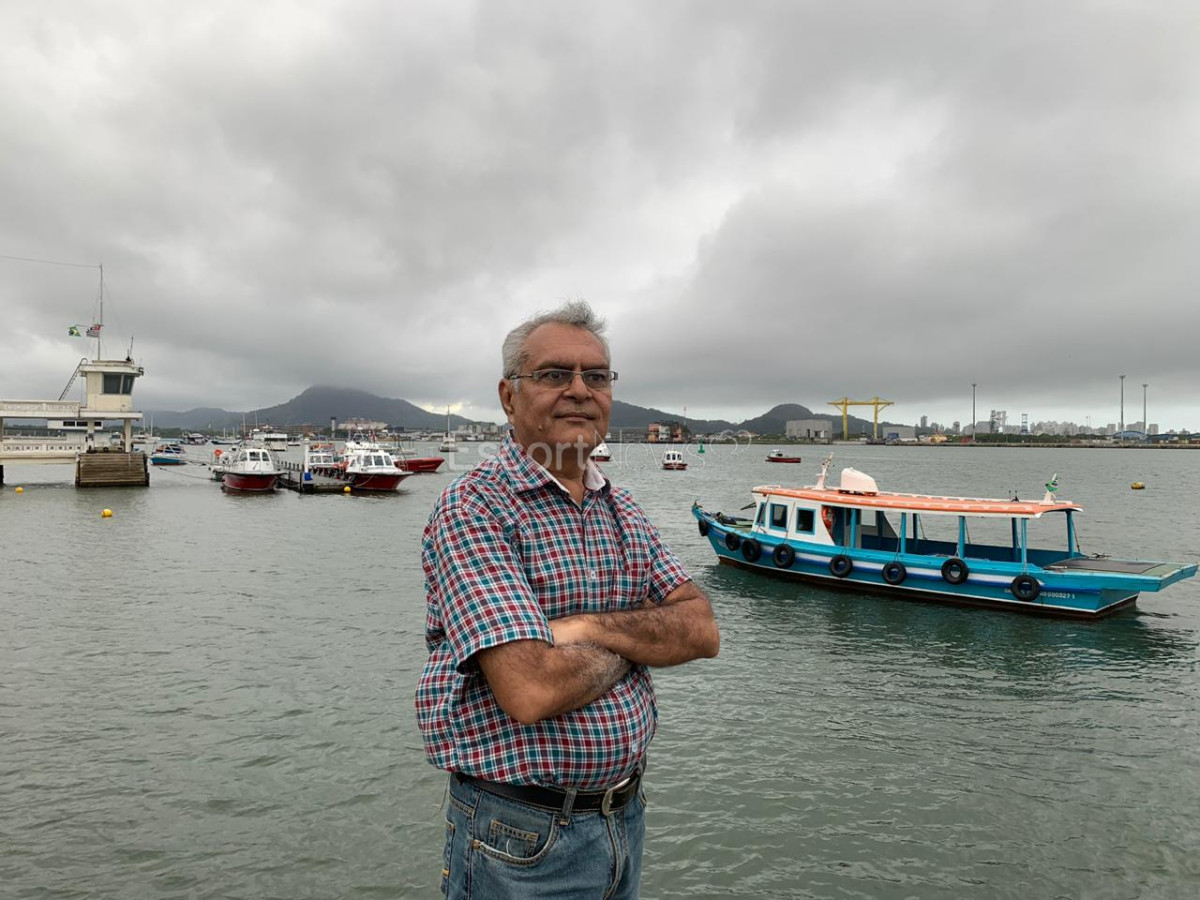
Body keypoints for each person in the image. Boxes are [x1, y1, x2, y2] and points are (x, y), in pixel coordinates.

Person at [416, 300, 720, 899]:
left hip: (623, 818)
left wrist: (586, 629)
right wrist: (642, 640)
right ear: (509, 397)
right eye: (555, 374)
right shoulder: (474, 509)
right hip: (520, 836)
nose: (580, 390)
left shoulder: (619, 508)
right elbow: (532, 688)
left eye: (596, 376)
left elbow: (701, 629)